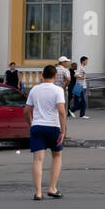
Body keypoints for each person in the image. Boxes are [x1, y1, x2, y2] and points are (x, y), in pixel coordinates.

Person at [23, 64, 66, 200]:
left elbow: (26, 111)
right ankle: (52, 188)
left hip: (37, 126)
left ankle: (38, 192)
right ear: (55, 76)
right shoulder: (58, 90)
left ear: (42, 75)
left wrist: (31, 124)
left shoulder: (34, 90)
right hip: (53, 127)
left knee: (38, 159)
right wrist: (63, 131)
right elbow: (61, 112)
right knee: (57, 156)